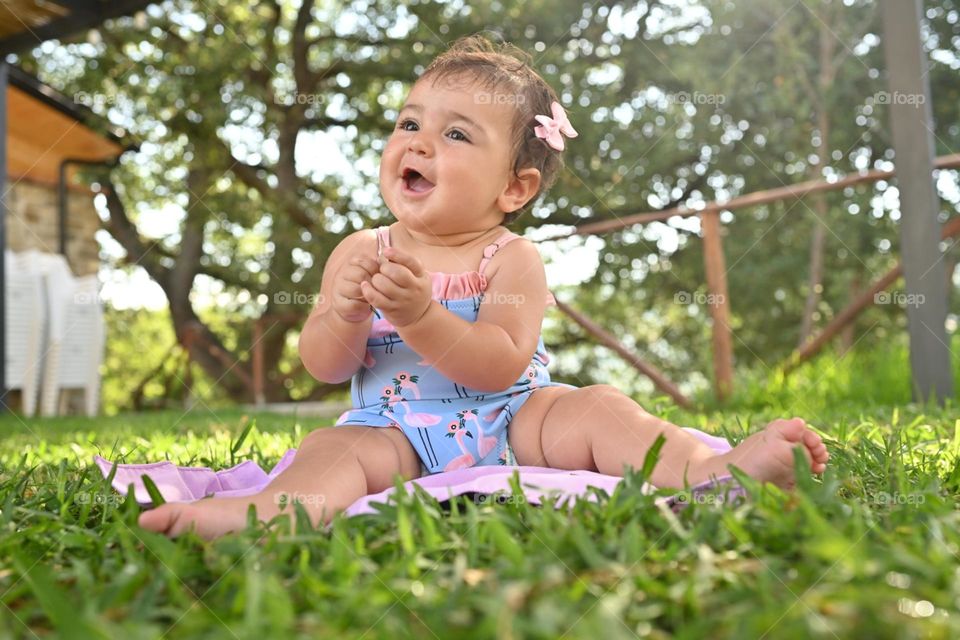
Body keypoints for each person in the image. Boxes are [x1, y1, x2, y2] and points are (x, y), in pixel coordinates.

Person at [139, 35, 828, 540]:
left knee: (599, 409)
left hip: (515, 421)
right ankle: (270, 513)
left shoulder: (511, 257)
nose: (419, 141)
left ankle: (713, 469)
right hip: (393, 428)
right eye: (410, 122)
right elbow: (324, 365)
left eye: (456, 134)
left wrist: (418, 314)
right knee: (332, 451)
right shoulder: (360, 249)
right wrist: (345, 311)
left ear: (513, 187)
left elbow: (498, 362)